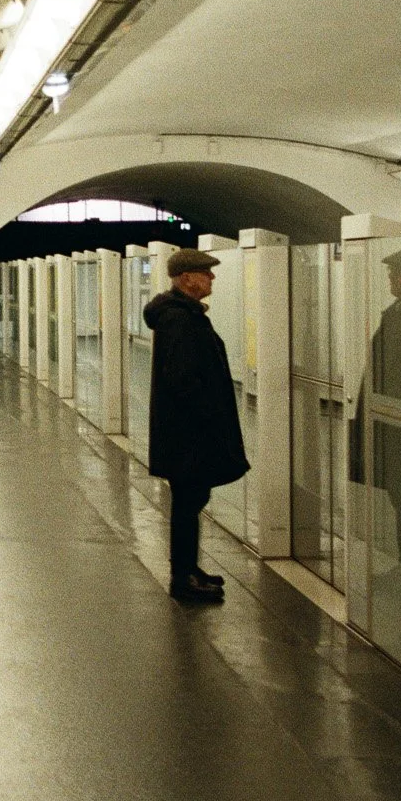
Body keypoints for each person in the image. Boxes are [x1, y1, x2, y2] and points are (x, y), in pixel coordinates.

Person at [144, 248, 248, 604]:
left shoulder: (183, 314)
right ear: (187, 278)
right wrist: (209, 415)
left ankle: (188, 568)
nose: (212, 278)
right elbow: (182, 377)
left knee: (192, 499)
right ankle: (183, 577)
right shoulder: (178, 319)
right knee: (188, 501)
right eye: (206, 272)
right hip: (189, 433)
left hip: (187, 431)